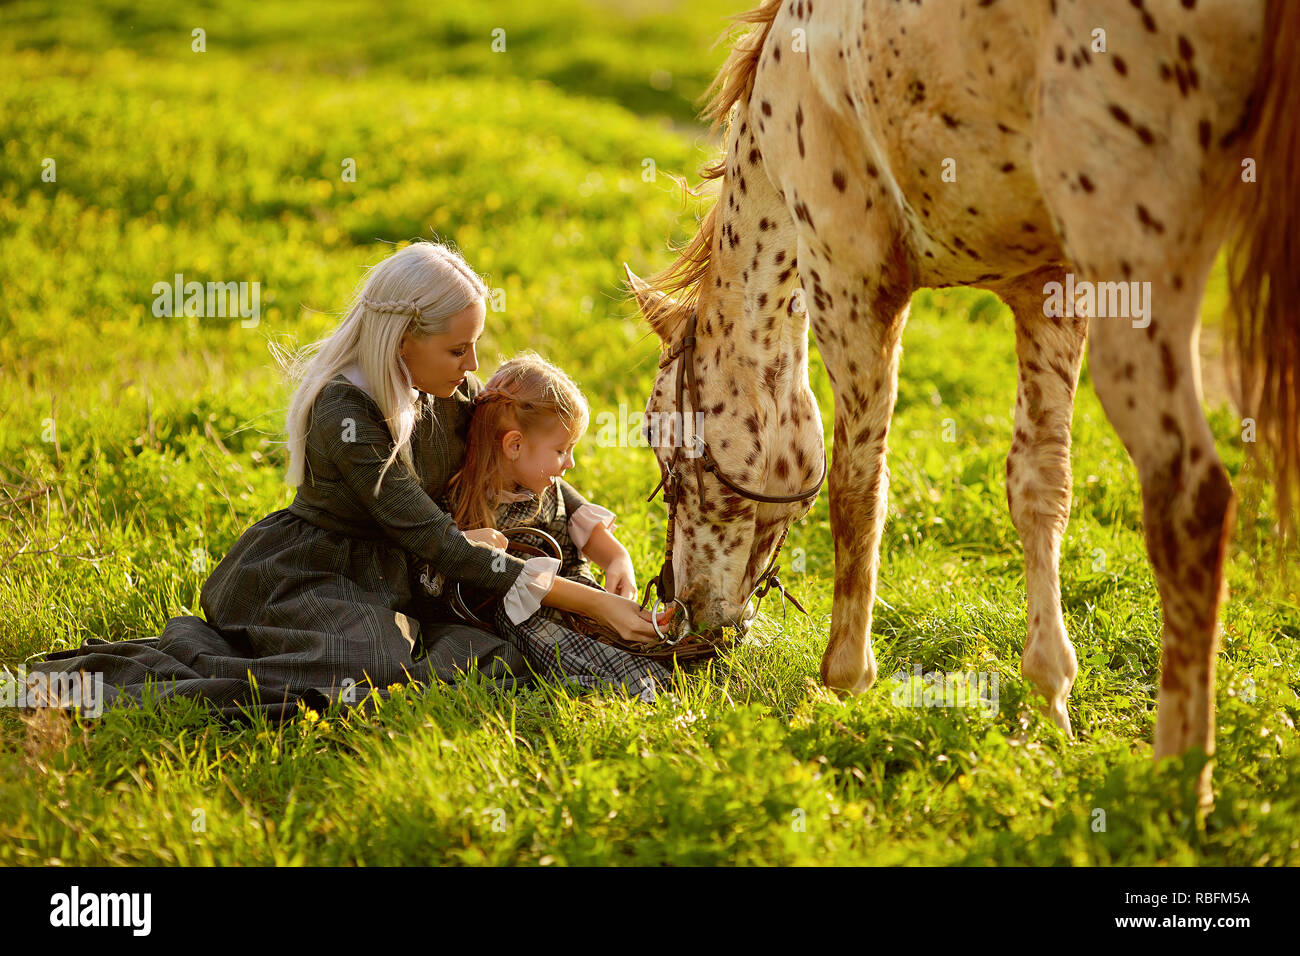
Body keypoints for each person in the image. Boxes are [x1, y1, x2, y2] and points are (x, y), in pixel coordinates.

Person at [17, 240, 668, 721]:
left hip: (394, 580)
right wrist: (592, 604)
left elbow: (512, 453)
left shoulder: (449, 388)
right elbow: (437, 542)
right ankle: (109, 686)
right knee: (372, 672)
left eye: (475, 345)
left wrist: (599, 538)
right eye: (457, 348)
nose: (474, 366)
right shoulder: (347, 415)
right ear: (400, 338)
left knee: (440, 655)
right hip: (308, 574)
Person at [424, 351, 676, 703]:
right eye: (561, 450)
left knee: (607, 622)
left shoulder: (545, 488)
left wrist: (617, 560)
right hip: (519, 619)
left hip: (577, 596)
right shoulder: (458, 503)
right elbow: (439, 574)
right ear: (514, 445)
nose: (570, 463)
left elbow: (581, 525)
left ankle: (656, 648)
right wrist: (466, 542)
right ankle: (632, 683)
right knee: (541, 635)